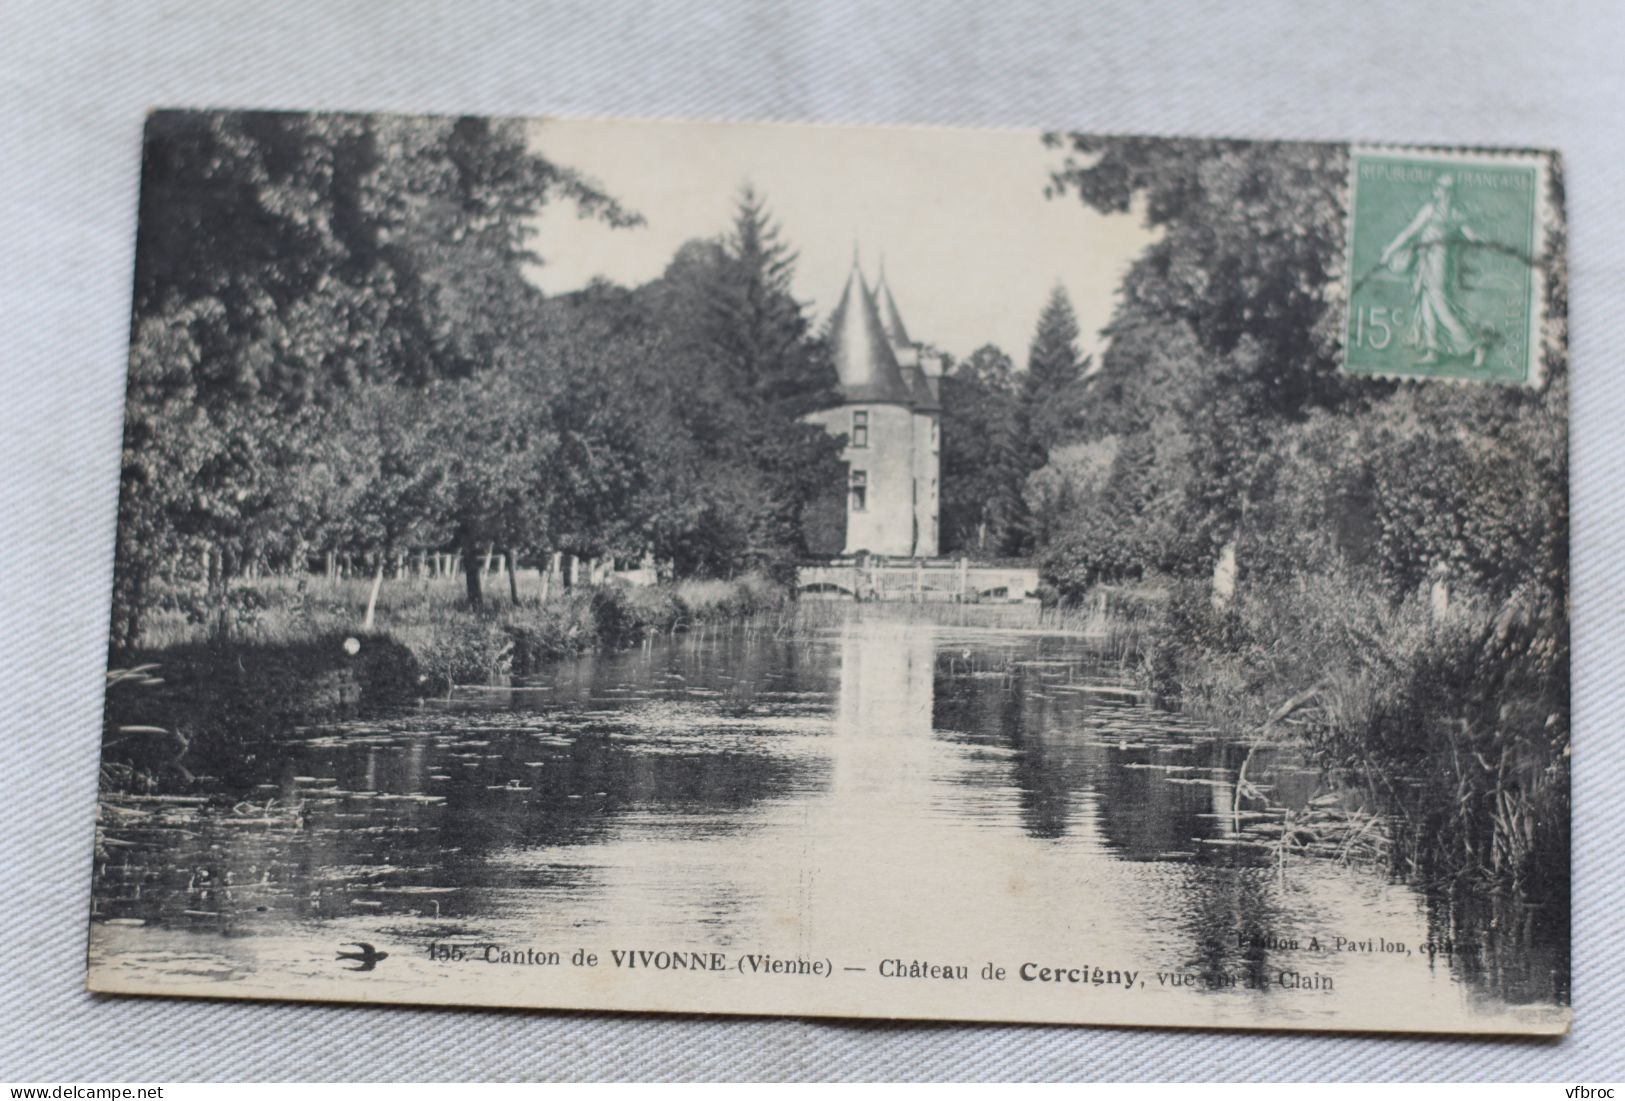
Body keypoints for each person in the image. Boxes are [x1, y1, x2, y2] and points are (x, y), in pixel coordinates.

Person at [1379, 174, 1486, 368]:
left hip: (1437, 262)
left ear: (1444, 192)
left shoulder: (1436, 211)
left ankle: (1474, 345)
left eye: (1438, 188)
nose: (1435, 191)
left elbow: (1408, 232)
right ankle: (1432, 350)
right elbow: (1472, 237)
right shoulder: (1454, 213)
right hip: (1426, 261)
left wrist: (1389, 251)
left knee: (1439, 304)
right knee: (1426, 303)